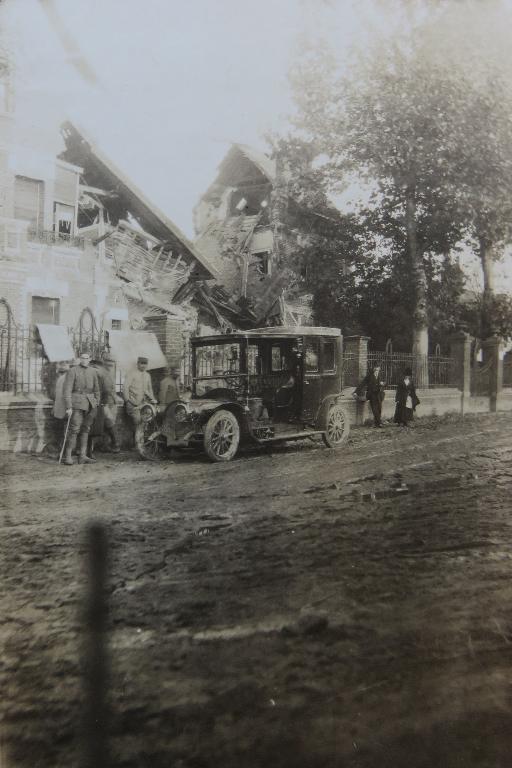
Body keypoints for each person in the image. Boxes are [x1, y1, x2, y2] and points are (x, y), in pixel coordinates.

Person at [62, 353, 100, 465]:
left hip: (90, 404)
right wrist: (69, 406)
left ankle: (82, 456)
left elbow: (97, 389)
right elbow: (67, 390)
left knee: (86, 429)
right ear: (79, 359)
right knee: (74, 430)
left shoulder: (93, 371)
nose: (84, 360)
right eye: (82, 358)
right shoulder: (72, 371)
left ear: (90, 359)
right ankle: (68, 456)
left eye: (87, 358)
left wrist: (96, 401)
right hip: (77, 404)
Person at [122, 356, 157, 450]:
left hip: (144, 404)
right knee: (137, 421)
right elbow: (125, 387)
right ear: (138, 364)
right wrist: (127, 400)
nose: (143, 366)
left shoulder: (147, 375)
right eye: (141, 363)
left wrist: (153, 399)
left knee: (145, 422)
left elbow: (149, 389)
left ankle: (140, 444)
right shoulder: (131, 374)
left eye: (145, 364)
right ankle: (137, 445)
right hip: (133, 403)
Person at [88, 355, 121, 456]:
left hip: (105, 402)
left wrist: (105, 403)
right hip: (104, 401)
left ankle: (115, 444)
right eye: (108, 362)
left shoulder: (102, 373)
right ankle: (108, 445)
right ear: (103, 363)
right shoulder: (103, 372)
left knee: (107, 423)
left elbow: (107, 389)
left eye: (111, 363)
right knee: (106, 423)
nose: (110, 364)